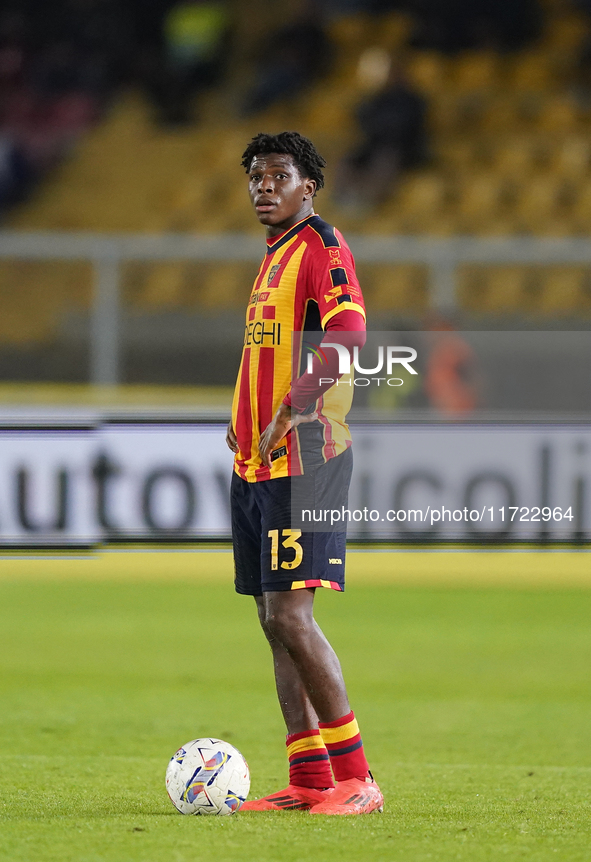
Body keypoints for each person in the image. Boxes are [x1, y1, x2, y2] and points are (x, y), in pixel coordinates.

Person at [225, 131, 383, 815]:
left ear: (307, 186)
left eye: (278, 176)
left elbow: (348, 335)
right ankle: (309, 777)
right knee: (270, 616)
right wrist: (239, 411)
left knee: (292, 614)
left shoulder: (320, 246)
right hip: (255, 459)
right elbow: (267, 350)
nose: (264, 187)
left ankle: (358, 780)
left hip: (306, 455)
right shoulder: (272, 257)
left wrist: (293, 407)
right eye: (256, 177)